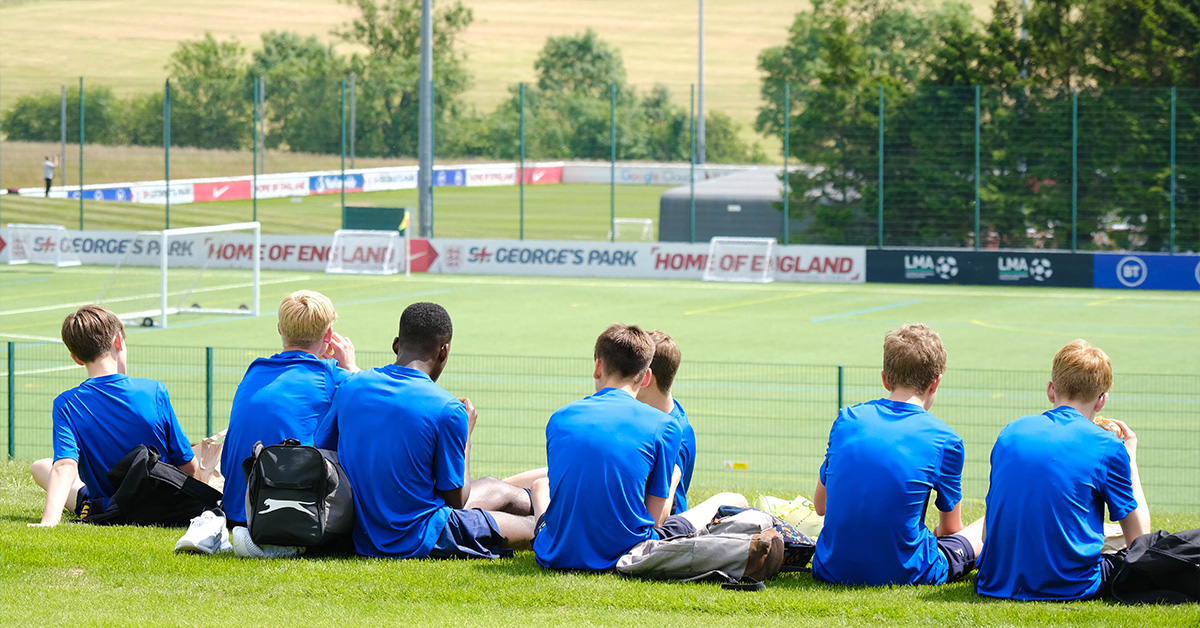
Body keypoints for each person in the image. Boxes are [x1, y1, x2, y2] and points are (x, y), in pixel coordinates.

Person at [315, 302, 533, 559]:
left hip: (363, 526)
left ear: (396, 344)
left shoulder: (351, 386)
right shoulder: (447, 409)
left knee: (495, 487)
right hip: (419, 534)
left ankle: (553, 502)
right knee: (531, 528)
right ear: (444, 351)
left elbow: (324, 449)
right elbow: (456, 501)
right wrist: (466, 438)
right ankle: (564, 516)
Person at [532, 323, 745, 572]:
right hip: (631, 553)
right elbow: (655, 519)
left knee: (539, 486)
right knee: (731, 498)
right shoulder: (667, 426)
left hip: (555, 553)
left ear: (598, 366)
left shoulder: (559, 417)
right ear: (645, 377)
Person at [975, 340, 1150, 601]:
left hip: (995, 579)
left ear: (1050, 389)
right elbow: (1139, 542)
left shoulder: (1010, 432)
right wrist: (1130, 458)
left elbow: (988, 529)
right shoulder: (1108, 446)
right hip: (1070, 585)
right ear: (1102, 400)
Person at [811, 323, 982, 586]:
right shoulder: (945, 440)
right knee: (989, 520)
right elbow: (950, 529)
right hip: (907, 572)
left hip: (830, 566)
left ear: (885, 378)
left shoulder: (847, 419)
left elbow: (821, 506)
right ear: (935, 383)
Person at [29, 305, 197, 527]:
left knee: (42, 466)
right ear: (118, 341)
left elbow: (65, 466)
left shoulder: (67, 404)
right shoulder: (153, 390)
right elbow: (189, 467)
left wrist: (49, 521)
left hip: (108, 507)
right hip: (159, 504)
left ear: (76, 358)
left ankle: (86, 504)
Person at [220, 290, 358, 528]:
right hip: (287, 512)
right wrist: (352, 368)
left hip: (235, 509)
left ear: (280, 329)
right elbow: (375, 402)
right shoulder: (332, 376)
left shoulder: (255, 370)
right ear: (329, 335)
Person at [635, 329, 696, 515]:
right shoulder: (646, 416)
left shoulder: (677, 434)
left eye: (631, 372)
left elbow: (660, 511)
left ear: (646, 378)